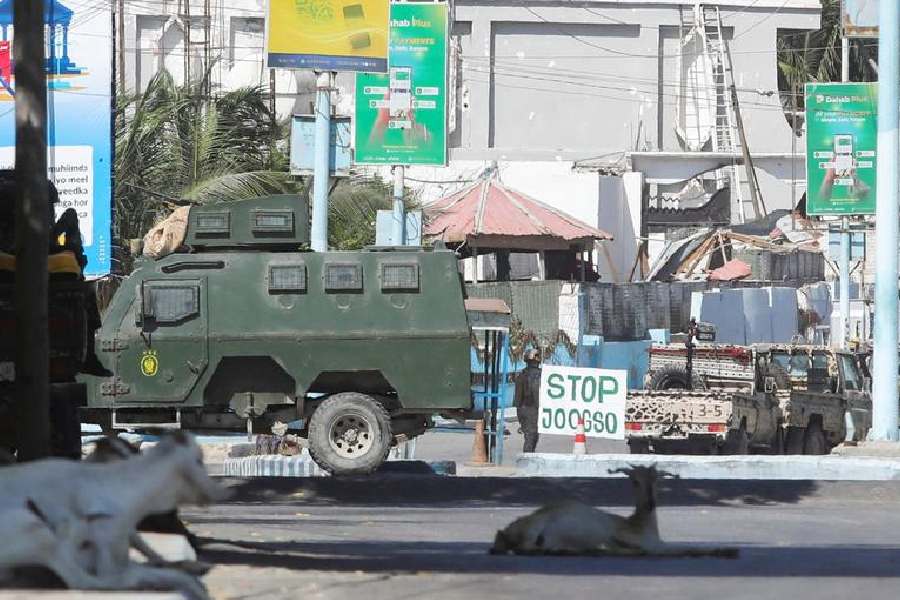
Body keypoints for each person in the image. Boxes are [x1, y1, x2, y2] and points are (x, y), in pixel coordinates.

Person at [514, 348, 542, 453]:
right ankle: (527, 461)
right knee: (532, 437)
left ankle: (528, 457)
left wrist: (520, 417)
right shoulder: (540, 375)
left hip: (524, 410)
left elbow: (517, 400)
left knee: (530, 436)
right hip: (533, 410)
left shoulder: (521, 375)